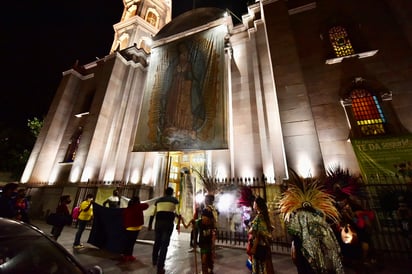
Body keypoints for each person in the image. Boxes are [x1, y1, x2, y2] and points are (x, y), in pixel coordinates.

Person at [279, 174, 344, 274]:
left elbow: (295, 234)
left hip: (308, 254)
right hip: (326, 253)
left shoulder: (299, 216)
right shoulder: (319, 216)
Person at [151, 187, 179, 274]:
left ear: (165, 192)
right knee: (164, 244)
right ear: (172, 193)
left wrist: (149, 225)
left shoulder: (158, 200)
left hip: (158, 223)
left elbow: (153, 213)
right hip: (168, 224)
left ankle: (154, 260)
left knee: (157, 242)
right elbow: (178, 212)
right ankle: (160, 266)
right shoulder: (174, 200)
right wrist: (179, 223)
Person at [247, 196, 274, 274]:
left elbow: (258, 234)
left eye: (254, 203)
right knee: (264, 266)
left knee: (258, 267)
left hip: (259, 246)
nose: (253, 204)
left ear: (257, 205)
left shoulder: (259, 217)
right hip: (264, 246)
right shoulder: (264, 216)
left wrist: (254, 248)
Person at [121, 196, 149, 262]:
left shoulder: (128, 208)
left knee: (128, 243)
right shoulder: (139, 206)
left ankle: (126, 256)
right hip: (136, 228)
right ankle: (129, 255)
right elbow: (146, 205)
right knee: (131, 243)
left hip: (128, 228)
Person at [196, 206, 217, 274]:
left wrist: (213, 244)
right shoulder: (200, 222)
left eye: (206, 219)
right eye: (203, 218)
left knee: (209, 259)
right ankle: (204, 271)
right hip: (203, 244)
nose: (204, 220)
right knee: (203, 259)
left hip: (209, 244)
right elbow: (193, 224)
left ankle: (209, 269)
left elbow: (214, 234)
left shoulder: (211, 224)